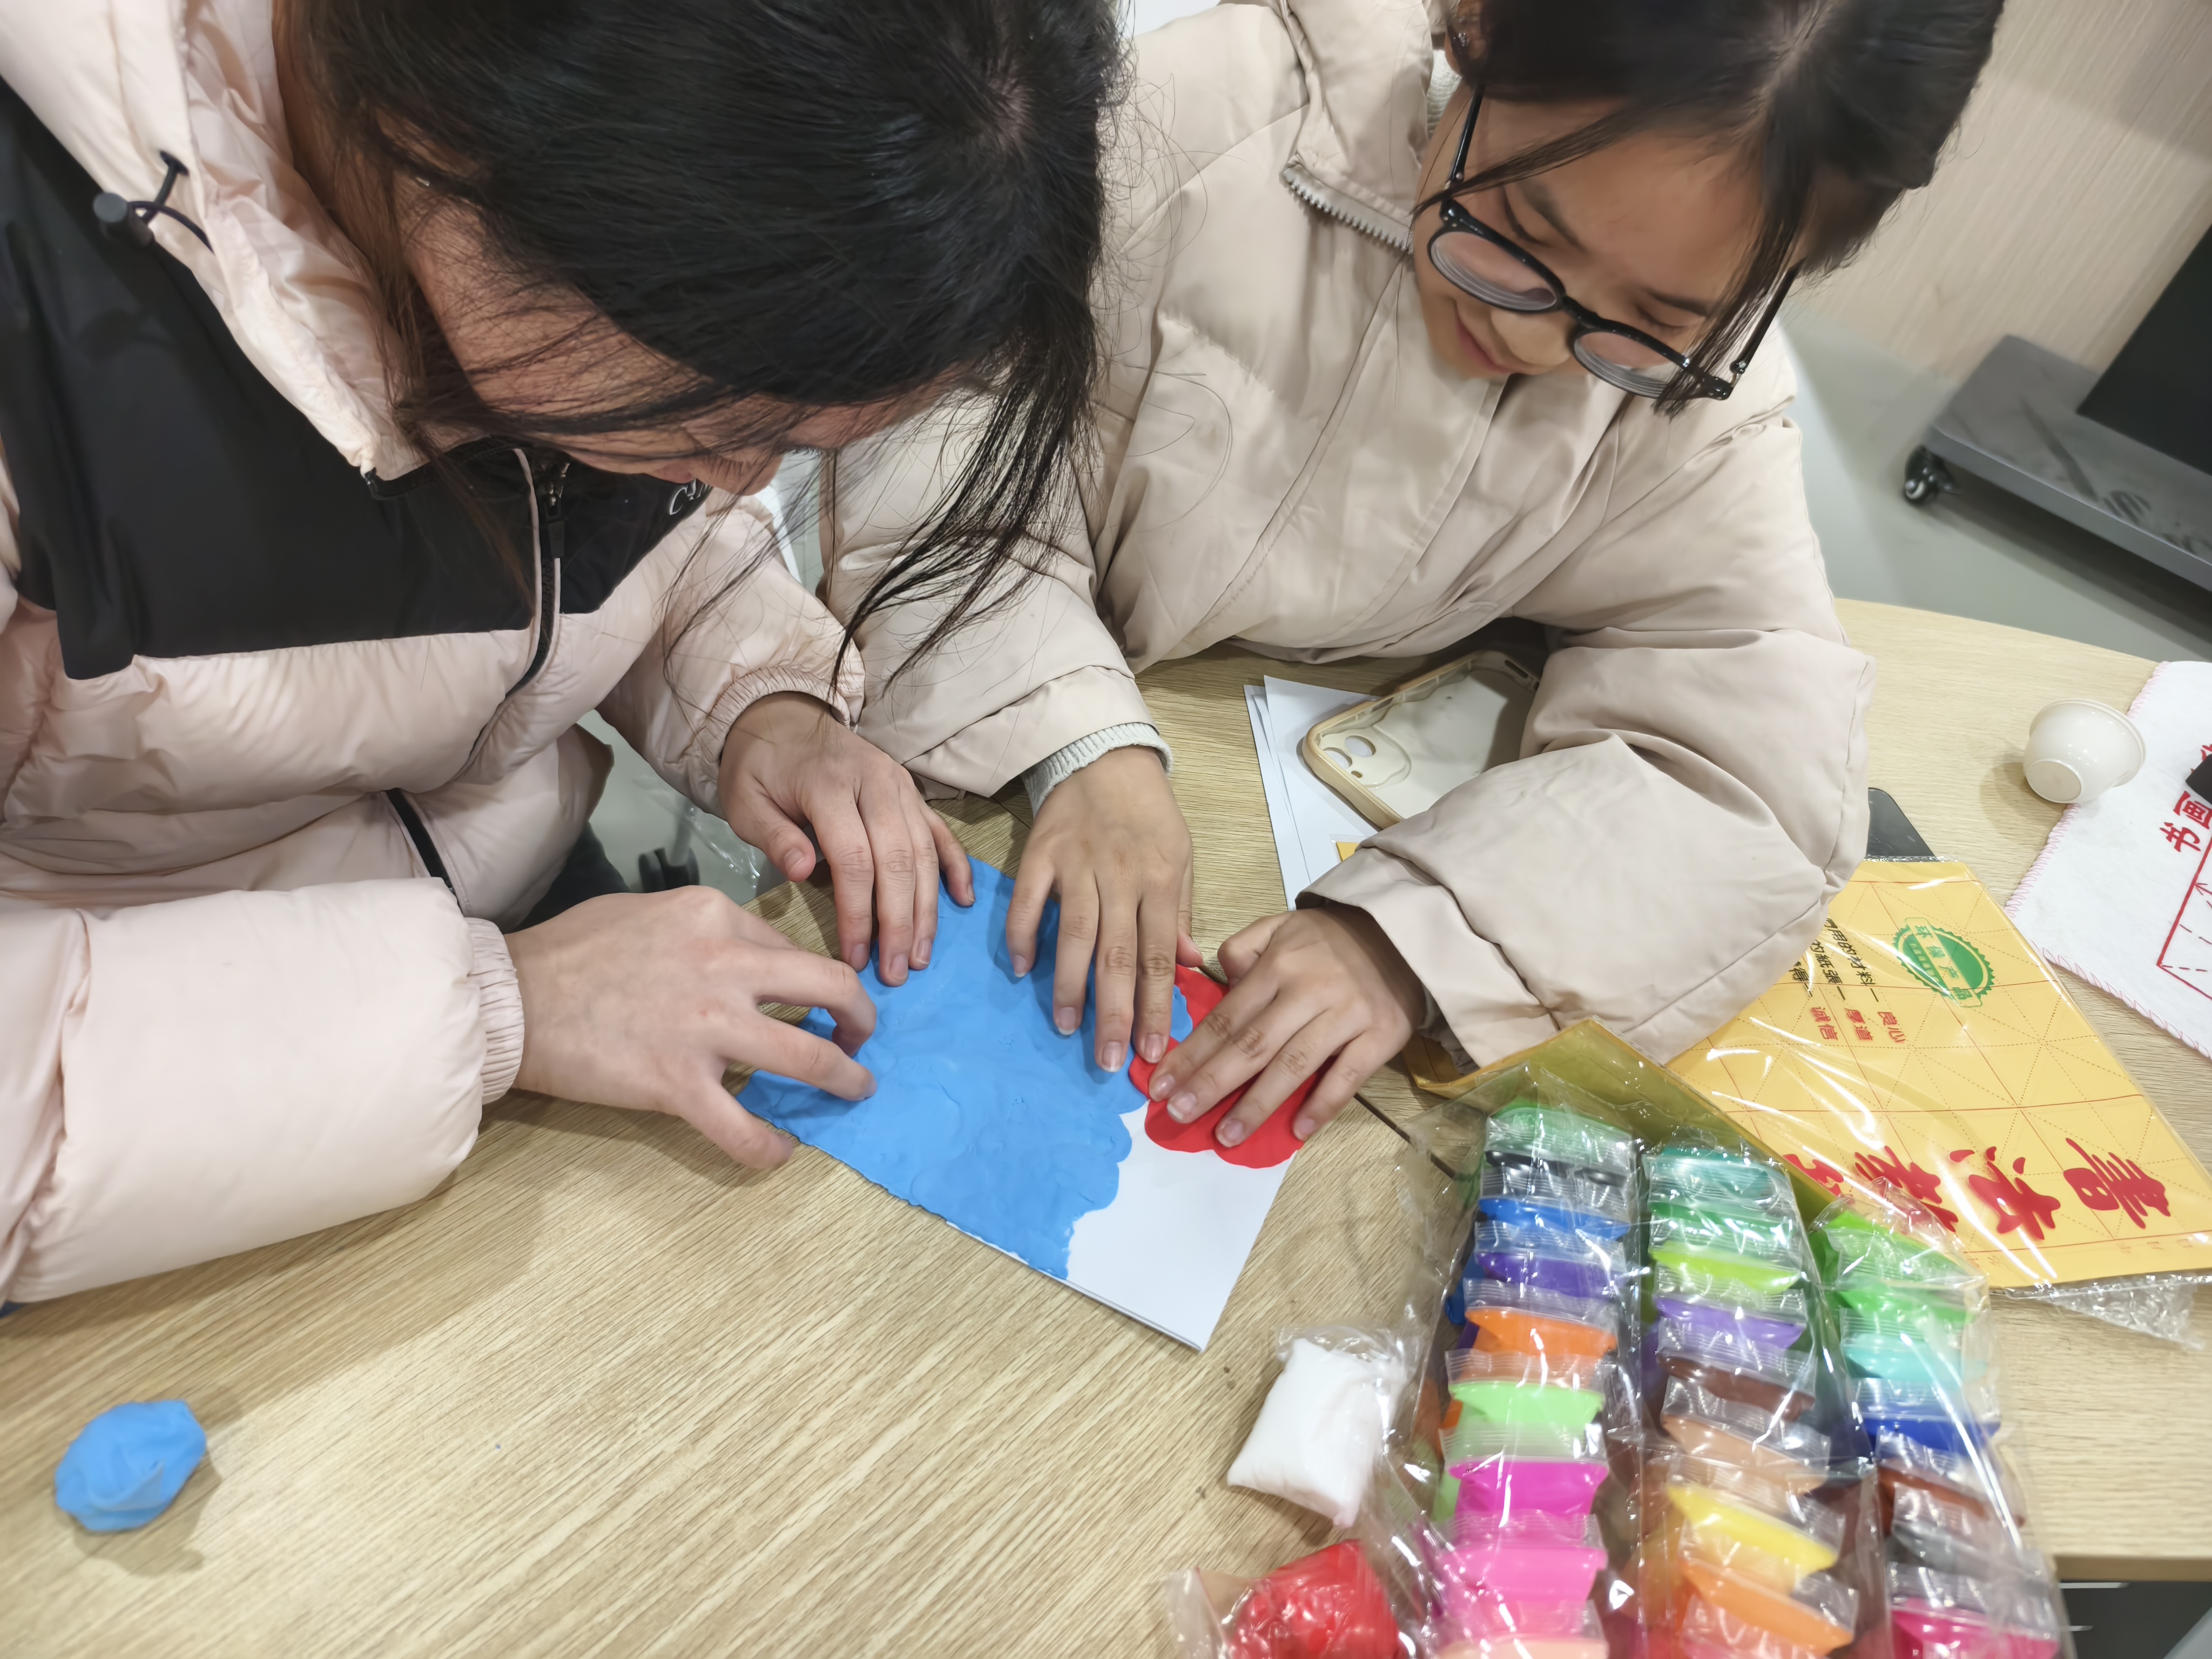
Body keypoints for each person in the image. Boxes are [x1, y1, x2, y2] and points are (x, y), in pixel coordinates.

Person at [0, 0, 1118, 1301]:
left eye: (794, 442)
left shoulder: (584, 257)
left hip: (516, 949)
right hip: (167, 1091)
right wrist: (502, 1008)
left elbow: (624, 534)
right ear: (449, 143)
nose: (738, 479)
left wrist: (763, 700)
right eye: (716, 420)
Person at [828, 0, 2001, 1146]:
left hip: (1274, 818)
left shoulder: (1704, 403)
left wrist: (1417, 939)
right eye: (1521, 230)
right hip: (1001, 749)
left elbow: (1756, 766)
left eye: (1648, 322)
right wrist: (1082, 746)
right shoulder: (1178, 122)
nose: (1534, 338)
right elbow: (920, 434)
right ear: (1475, 22)